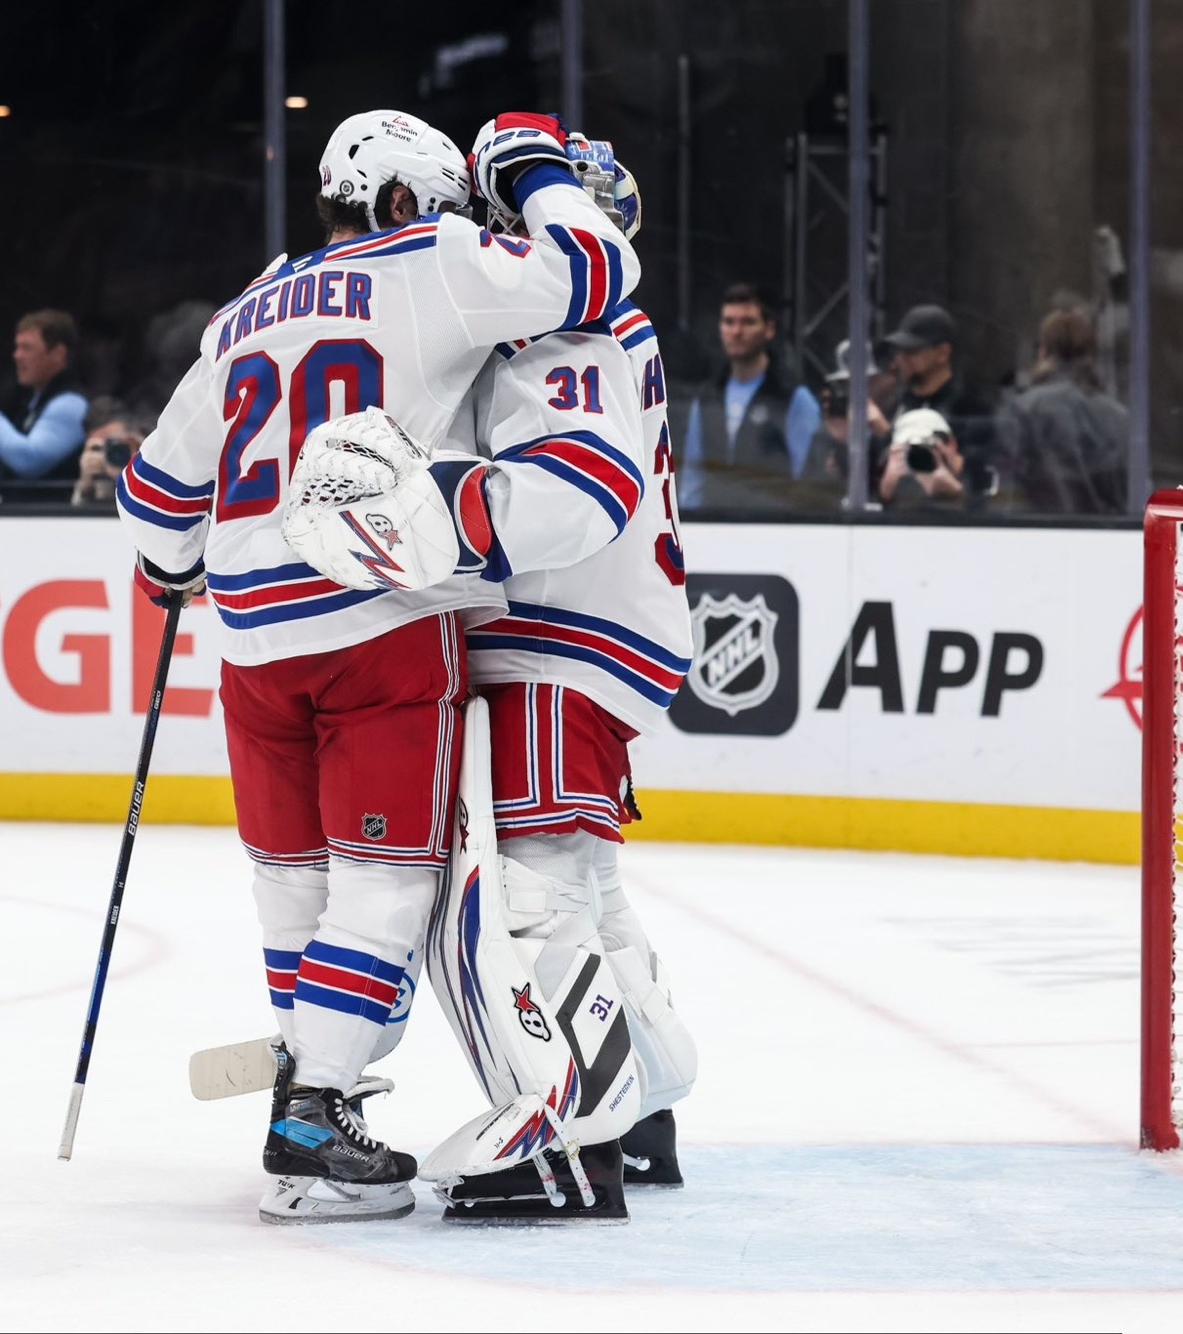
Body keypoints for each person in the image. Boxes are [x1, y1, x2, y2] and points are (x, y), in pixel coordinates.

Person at [113, 108, 639, 1225]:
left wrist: (172, 572)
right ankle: (313, 1105)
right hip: (380, 613)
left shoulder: (243, 305)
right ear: (404, 200)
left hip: (252, 639)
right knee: (387, 881)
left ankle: (315, 1115)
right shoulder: (429, 259)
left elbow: (155, 505)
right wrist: (532, 164)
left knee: (291, 879)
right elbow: (596, 266)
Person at [417, 138, 697, 1220]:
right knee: (585, 882)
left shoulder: (564, 321)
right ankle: (647, 1091)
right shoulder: (619, 324)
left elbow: (574, 481)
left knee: (534, 890)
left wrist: (437, 507)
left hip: (554, 626)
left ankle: (575, 1127)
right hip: (603, 632)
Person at [677, 283, 818, 509]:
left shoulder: (792, 398)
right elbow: (693, 478)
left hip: (773, 527)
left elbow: (807, 477)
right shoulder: (707, 398)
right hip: (713, 528)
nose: (736, 331)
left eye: (748, 322)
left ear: (769, 329)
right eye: (729, 322)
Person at [996, 308, 1129, 514]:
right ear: (1092, 355)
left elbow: (1009, 494)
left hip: (1035, 534)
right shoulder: (1118, 416)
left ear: (1043, 351)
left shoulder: (1022, 409)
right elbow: (1127, 494)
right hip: (1103, 537)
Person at [0, 309, 89, 490]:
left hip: (55, 515)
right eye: (17, 347)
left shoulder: (70, 404)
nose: (17, 355)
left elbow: (28, 460)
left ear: (58, 353)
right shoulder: (29, 400)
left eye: (27, 348)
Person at [873, 304, 997, 507]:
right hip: (897, 524)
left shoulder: (973, 408)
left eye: (912, 351)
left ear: (943, 353)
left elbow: (994, 486)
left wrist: (960, 478)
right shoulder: (896, 407)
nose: (901, 359)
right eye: (900, 351)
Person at [71, 397, 146, 507]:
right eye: (99, 448)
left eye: (118, 445)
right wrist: (86, 487)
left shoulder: (147, 459)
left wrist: (137, 473)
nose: (111, 453)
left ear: (134, 444)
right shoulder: (95, 477)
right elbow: (75, 518)